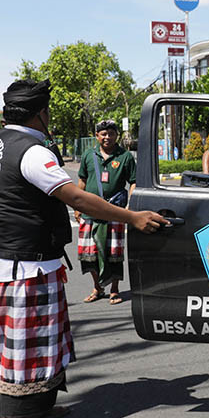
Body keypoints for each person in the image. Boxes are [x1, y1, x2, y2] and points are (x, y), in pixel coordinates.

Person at [0, 79, 165, 418]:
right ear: (41, 113)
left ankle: (37, 410)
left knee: (40, 340)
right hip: (24, 265)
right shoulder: (32, 152)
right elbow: (77, 197)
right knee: (25, 347)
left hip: (14, 258)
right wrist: (132, 217)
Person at [75, 120, 135, 305]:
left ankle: (114, 290)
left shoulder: (125, 156)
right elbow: (82, 181)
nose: (107, 137)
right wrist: (77, 207)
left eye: (111, 133)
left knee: (114, 252)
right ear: (97, 136)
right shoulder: (88, 155)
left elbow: (133, 182)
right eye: (103, 134)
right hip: (90, 212)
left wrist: (129, 206)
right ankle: (98, 287)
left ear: (117, 135)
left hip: (115, 211)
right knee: (88, 253)